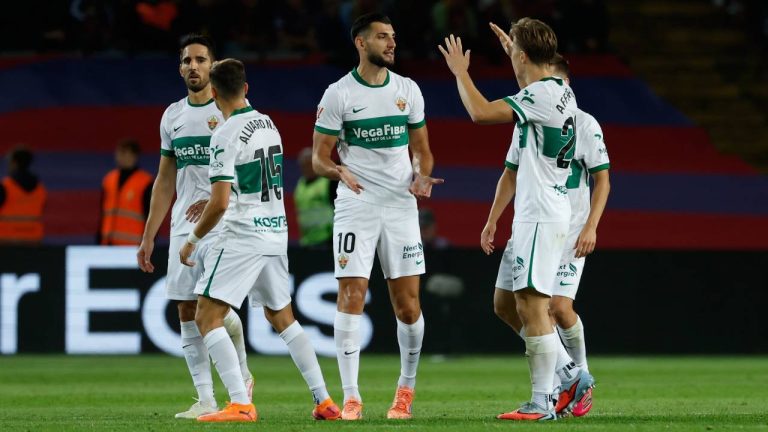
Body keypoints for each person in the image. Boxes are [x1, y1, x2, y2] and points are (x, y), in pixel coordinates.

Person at [438, 18, 593, 421]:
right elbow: (513, 159)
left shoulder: (539, 96)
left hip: (542, 214)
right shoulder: (557, 93)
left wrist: (461, 73)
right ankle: (571, 373)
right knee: (505, 303)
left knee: (532, 306)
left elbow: (480, 112)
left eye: (515, 55)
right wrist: (518, 57)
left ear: (523, 57)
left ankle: (542, 400)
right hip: (534, 213)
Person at [179, 58, 341, 422]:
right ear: (246, 88)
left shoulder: (224, 134)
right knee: (282, 316)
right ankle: (324, 400)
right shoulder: (268, 123)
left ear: (214, 92)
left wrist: (191, 239)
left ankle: (240, 402)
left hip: (242, 236)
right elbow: (250, 183)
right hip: (275, 232)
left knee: (206, 316)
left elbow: (220, 203)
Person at [312, 12, 444, 421]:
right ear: (360, 43)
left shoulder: (407, 89)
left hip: (401, 205)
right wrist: (338, 169)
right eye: (382, 37)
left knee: (407, 305)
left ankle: (405, 391)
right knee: (351, 294)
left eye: (393, 37)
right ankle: (351, 397)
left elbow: (422, 147)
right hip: (356, 205)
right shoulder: (339, 94)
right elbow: (318, 157)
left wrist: (421, 173)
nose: (391, 44)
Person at [136, 34, 253, 419]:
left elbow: (252, 166)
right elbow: (165, 178)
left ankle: (240, 376)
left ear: (213, 66)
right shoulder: (172, 116)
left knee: (212, 306)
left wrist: (223, 195)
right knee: (187, 307)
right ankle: (205, 398)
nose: (193, 66)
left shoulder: (233, 111)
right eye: (187, 60)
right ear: (180, 67)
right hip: (184, 224)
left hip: (226, 220)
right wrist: (149, 234)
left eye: (201, 60)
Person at [546, 53, 610, 416]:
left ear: (566, 85)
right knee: (537, 312)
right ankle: (560, 385)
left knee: (558, 307)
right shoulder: (536, 121)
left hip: (572, 233)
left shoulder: (585, 124)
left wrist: (591, 226)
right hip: (541, 227)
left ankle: (580, 376)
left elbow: (602, 179)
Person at [98, 139, 153, 245]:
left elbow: (151, 215)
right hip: (107, 243)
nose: (119, 156)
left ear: (134, 156)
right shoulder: (109, 179)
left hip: (133, 245)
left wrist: (148, 242)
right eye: (118, 152)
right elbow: (103, 213)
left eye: (124, 153)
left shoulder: (145, 182)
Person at [0, 146, 46, 244]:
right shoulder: (40, 188)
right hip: (33, 239)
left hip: (6, 240)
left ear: (14, 163)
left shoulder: (5, 186)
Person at [294, 147, 335, 248]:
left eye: (309, 164)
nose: (306, 168)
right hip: (307, 241)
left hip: (327, 240)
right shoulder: (300, 185)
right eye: (303, 165)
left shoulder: (328, 183)